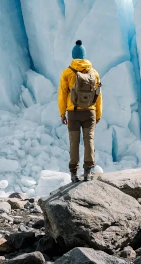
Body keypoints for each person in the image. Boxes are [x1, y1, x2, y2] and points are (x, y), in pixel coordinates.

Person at [58, 40, 102, 182]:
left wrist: (62, 113)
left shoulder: (67, 73)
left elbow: (62, 94)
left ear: (73, 55)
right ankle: (88, 171)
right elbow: (98, 95)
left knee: (74, 142)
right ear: (84, 55)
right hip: (90, 112)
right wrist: (98, 114)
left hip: (73, 113)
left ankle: (74, 173)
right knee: (89, 140)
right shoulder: (94, 73)